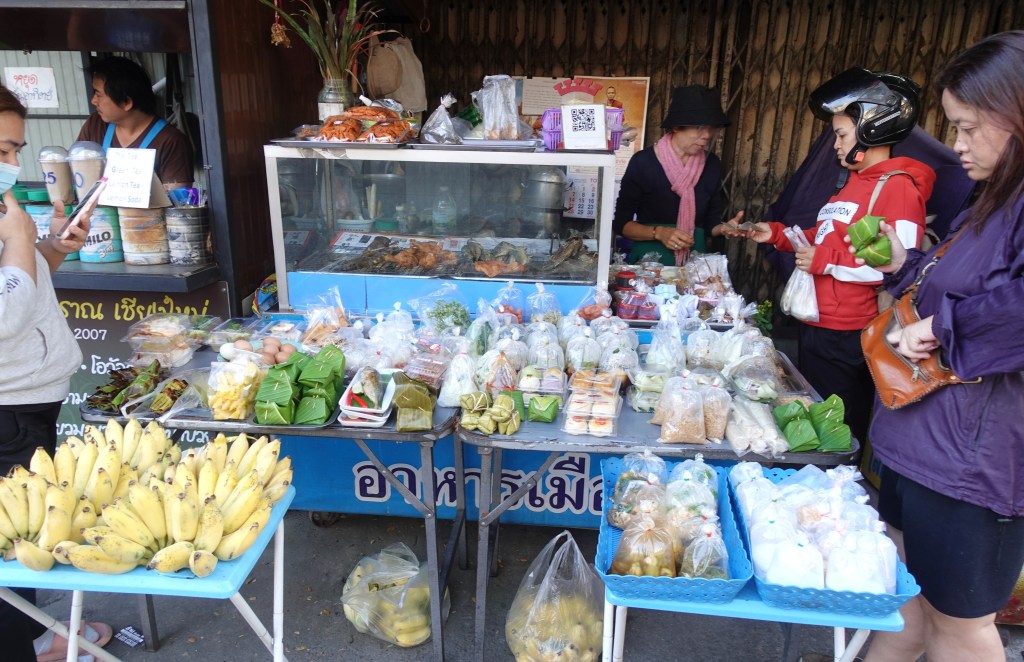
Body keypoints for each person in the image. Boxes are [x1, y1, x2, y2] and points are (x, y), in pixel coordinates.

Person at [860, 31, 1024, 662]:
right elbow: (955, 283)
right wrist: (905, 265)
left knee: (958, 624)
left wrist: (935, 329)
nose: (956, 144)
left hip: (970, 467)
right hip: (919, 443)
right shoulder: (994, 200)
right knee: (905, 605)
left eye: (968, 127)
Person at [746, 68, 935, 442]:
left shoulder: (898, 189)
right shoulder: (852, 185)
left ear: (872, 130)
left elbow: (899, 269)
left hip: (848, 334)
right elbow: (824, 238)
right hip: (817, 323)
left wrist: (825, 261)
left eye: (841, 134)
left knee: (838, 428)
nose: (835, 144)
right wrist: (779, 235)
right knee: (816, 419)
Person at [0, 86, 112, 662]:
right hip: (8, 408)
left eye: (16, 149)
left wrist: (51, 248)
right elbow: (5, 315)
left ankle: (35, 633)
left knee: (26, 530)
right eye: (2, 149)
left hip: (29, 398)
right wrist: (22, 238)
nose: (11, 162)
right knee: (14, 537)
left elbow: (20, 278)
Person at [613, 85, 745, 265]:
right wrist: (659, 233)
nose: (707, 135)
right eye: (699, 127)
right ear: (676, 127)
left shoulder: (712, 164)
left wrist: (724, 229)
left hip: (693, 262)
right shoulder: (643, 162)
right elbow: (621, 224)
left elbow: (710, 225)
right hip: (650, 263)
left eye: (712, 128)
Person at [77, 55, 194, 189]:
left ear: (126, 102)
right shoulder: (96, 125)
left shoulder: (171, 141)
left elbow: (177, 197)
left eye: (98, 95)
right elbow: (78, 175)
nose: (93, 101)